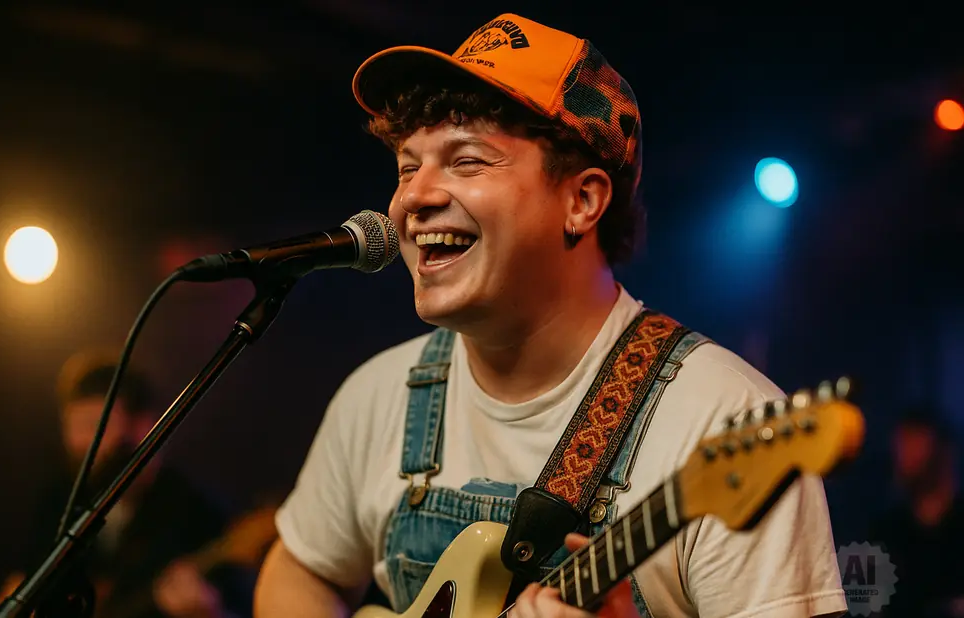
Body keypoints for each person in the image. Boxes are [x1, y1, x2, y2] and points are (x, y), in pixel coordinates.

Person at [255, 13, 847, 618]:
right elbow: (298, 573)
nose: (413, 197)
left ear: (582, 201)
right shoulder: (380, 396)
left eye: (466, 161)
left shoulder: (726, 421)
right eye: (408, 167)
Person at [0, 350, 255, 618]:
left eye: (94, 425)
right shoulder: (56, 502)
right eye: (72, 426)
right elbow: (14, 588)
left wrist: (209, 613)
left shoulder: (198, 513)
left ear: (143, 426)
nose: (80, 442)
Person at [871, 406, 964, 618]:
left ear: (944, 451)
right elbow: (866, 606)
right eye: (900, 445)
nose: (903, 455)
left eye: (913, 442)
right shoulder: (885, 532)